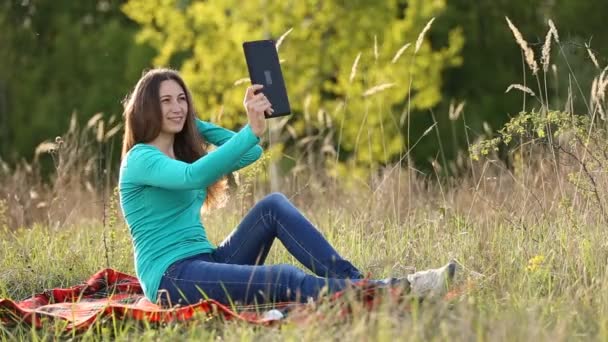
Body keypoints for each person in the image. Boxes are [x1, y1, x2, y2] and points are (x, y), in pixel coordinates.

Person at [118, 68, 455, 307]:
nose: (177, 107)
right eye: (166, 101)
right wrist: (248, 128)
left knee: (274, 205)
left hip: (203, 261)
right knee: (283, 277)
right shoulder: (140, 159)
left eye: (182, 99)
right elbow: (193, 177)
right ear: (148, 107)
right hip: (171, 279)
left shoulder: (179, 149)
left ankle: (357, 282)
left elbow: (251, 151)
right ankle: (394, 290)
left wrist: (197, 125)